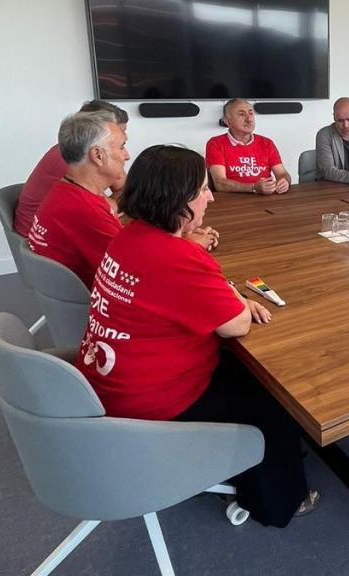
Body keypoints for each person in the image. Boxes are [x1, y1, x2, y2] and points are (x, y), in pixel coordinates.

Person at [76, 144, 319, 526]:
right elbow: (237, 324)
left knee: (246, 373)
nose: (209, 197)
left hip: (109, 386)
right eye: (202, 190)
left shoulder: (128, 236)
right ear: (177, 201)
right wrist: (234, 298)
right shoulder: (178, 258)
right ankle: (279, 502)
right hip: (153, 406)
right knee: (274, 398)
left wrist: (221, 291)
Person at [26, 111, 129, 287]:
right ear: (98, 155)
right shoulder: (85, 211)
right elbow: (135, 269)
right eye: (121, 147)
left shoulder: (65, 191)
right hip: (95, 302)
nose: (126, 155)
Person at [15, 100, 129, 237]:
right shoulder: (75, 162)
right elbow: (110, 207)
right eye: (121, 142)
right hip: (42, 237)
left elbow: (125, 191)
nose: (127, 155)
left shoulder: (79, 158)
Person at [206, 98, 291, 194]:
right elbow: (220, 183)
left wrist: (285, 181)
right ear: (227, 121)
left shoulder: (266, 143)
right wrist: (253, 187)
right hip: (232, 201)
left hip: (265, 198)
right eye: (241, 114)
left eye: (251, 113)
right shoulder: (216, 143)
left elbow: (282, 173)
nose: (249, 119)